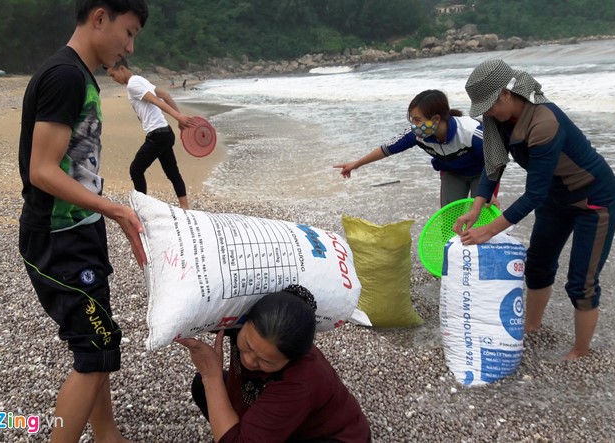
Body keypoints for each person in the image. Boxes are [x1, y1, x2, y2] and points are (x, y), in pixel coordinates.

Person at [18, 1, 149, 441]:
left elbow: (73, 169)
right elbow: (42, 169)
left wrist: (102, 212)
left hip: (79, 229)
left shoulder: (77, 75)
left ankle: (108, 434)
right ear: (99, 17)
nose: (129, 47)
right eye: (127, 33)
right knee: (97, 346)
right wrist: (113, 209)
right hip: (58, 240)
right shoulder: (65, 77)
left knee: (98, 339)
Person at [453, 59, 615, 360]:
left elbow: (533, 193)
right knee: (538, 267)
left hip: (593, 201)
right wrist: (476, 208)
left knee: (581, 282)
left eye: (490, 106)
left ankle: (581, 352)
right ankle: (531, 327)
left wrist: (488, 231)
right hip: (554, 199)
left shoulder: (544, 121)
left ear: (506, 94)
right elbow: (493, 165)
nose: (487, 113)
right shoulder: (497, 119)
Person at [176, 285, 372, 442]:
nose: (249, 360)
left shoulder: (301, 379)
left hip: (329, 436)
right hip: (272, 412)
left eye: (266, 361)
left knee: (209, 384)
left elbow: (212, 379)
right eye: (247, 345)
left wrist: (212, 377)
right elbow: (196, 308)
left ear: (290, 359)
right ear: (244, 322)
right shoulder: (240, 325)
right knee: (201, 386)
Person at [334, 89, 497, 208]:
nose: (413, 125)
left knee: (482, 214)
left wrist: (491, 193)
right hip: (452, 174)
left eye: (417, 120)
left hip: (482, 173)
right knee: (449, 217)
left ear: (436, 119)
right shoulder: (416, 134)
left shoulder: (471, 132)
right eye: (411, 119)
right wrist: (356, 164)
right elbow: (386, 149)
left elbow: (496, 159)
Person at [107, 59, 196, 209]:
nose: (113, 79)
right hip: (166, 133)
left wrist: (178, 117)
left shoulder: (133, 84)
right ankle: (185, 208)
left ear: (121, 68)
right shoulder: (140, 79)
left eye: (113, 74)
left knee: (136, 170)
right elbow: (166, 95)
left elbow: (156, 100)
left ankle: (142, 208)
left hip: (157, 135)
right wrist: (179, 118)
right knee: (172, 172)